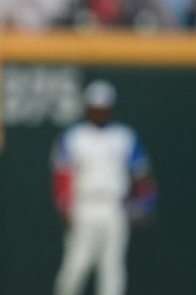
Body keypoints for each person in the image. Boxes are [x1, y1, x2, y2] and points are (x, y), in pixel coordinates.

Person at [50, 80, 157, 295]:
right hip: (85, 205)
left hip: (114, 206)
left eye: (103, 108)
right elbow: (61, 175)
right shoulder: (74, 137)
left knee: (112, 268)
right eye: (95, 108)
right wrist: (65, 209)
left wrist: (146, 204)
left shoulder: (124, 136)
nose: (99, 113)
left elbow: (141, 174)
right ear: (88, 108)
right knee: (77, 264)